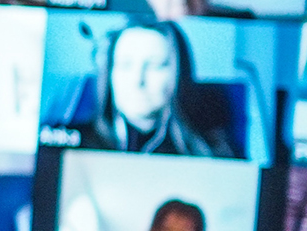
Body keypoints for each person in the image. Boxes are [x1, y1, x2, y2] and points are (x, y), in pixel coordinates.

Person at [78, 22, 238, 158]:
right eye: (125, 65)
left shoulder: (211, 152)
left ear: (178, 74)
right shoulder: (75, 141)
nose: (137, 80)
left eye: (155, 66)